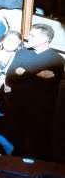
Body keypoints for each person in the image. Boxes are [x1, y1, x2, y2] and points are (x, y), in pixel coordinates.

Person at [5, 23, 64, 160]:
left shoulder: (57, 59)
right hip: (15, 109)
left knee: (34, 151)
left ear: (45, 39)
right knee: (12, 148)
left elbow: (47, 85)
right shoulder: (22, 53)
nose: (27, 37)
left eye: (32, 35)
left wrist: (24, 73)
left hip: (38, 115)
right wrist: (36, 76)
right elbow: (10, 77)